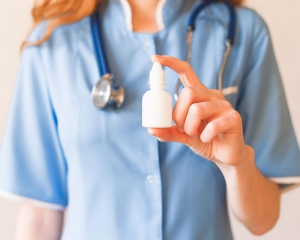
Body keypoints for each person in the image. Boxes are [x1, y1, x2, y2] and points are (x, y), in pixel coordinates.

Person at [0, 0, 299, 239]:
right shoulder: (52, 40)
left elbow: (263, 221)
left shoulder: (242, 32)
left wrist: (237, 164)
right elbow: (40, 220)